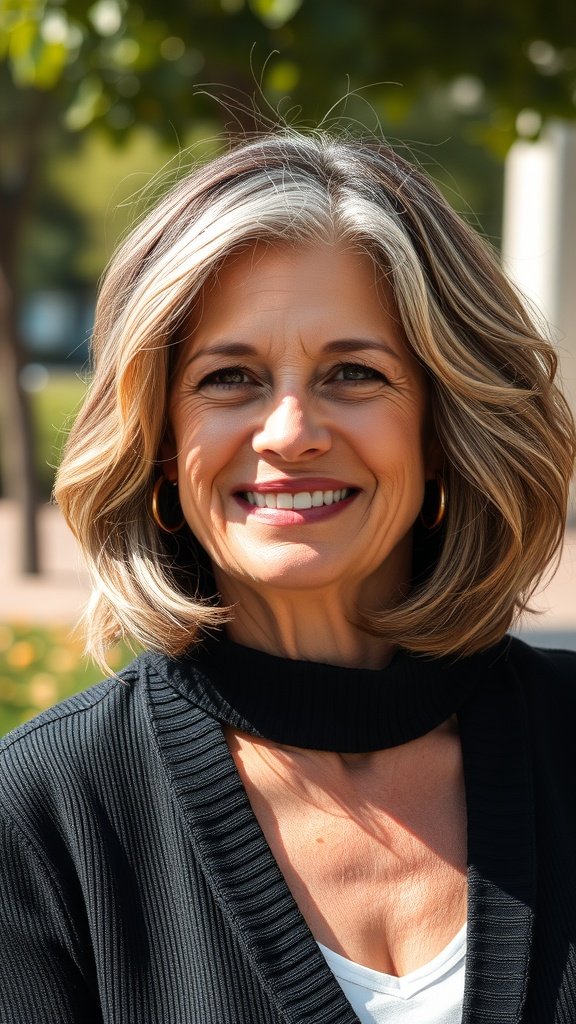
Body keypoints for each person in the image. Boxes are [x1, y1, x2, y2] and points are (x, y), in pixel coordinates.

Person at [1, 131, 575, 1024]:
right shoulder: (43, 815)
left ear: (442, 430)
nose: (289, 431)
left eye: (355, 373)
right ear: (158, 445)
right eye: (230, 379)